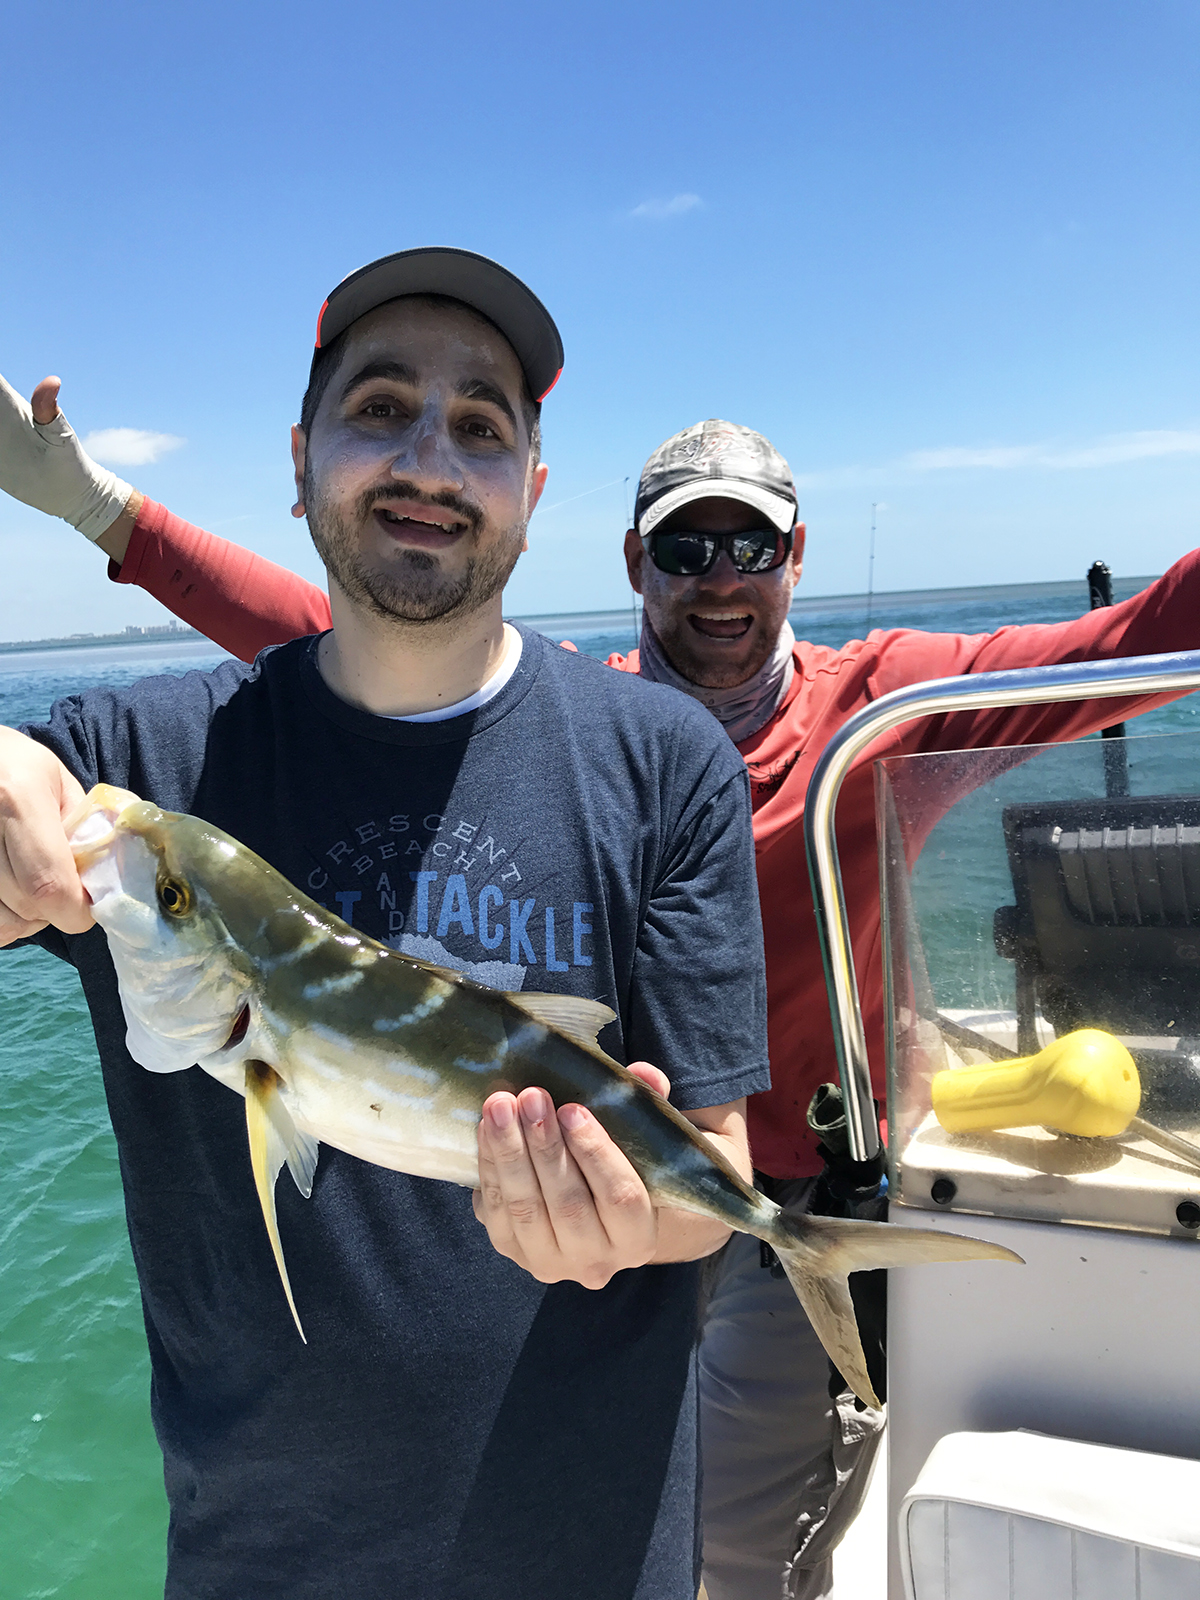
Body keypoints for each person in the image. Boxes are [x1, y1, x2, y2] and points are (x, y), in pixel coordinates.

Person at [8, 361, 1200, 1600]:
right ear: (635, 562)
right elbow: (316, 627)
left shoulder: (880, 704)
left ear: (800, 555)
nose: (722, 576)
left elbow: (1117, 649)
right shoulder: (592, 727)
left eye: (753, 541)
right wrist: (105, 513)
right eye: (687, 547)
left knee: (732, 1547)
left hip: (784, 1176)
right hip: (590, 1166)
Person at [0, 249, 773, 1600]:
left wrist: (630, 1224)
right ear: (301, 458)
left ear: (531, 495)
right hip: (259, 1562)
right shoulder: (145, 765)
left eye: (481, 426)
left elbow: (712, 1179)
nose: (427, 457)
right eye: (380, 410)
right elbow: (36, 803)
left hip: (595, 1554)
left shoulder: (665, 761)